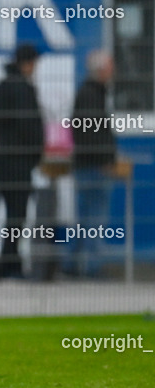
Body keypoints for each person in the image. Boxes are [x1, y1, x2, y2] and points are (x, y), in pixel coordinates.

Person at [0, 43, 45, 280]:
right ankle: (11, 264)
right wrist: (35, 153)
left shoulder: (0, 87)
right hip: (19, 161)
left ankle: (8, 261)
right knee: (17, 214)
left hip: (1, 159)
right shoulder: (23, 89)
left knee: (11, 213)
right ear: (27, 63)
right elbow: (29, 126)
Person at [67, 50, 120, 277]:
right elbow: (88, 133)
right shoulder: (92, 95)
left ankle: (72, 266)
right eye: (110, 66)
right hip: (94, 167)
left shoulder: (88, 93)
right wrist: (106, 159)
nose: (113, 71)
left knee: (83, 218)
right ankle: (92, 268)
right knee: (95, 219)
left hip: (85, 165)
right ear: (101, 70)